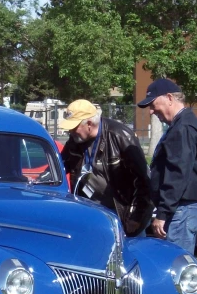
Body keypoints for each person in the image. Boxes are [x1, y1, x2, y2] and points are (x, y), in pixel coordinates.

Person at [138, 79, 197, 253]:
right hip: (182, 208)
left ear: (169, 98)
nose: (151, 111)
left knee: (175, 266)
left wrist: (163, 213)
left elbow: (177, 174)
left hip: (181, 209)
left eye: (153, 104)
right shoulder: (184, 124)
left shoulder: (183, 128)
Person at [60, 99, 153, 237]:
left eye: (74, 127)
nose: (70, 131)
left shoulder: (120, 136)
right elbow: (61, 165)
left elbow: (143, 180)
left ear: (89, 124)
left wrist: (136, 217)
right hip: (92, 213)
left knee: (130, 254)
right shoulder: (75, 140)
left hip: (124, 213)